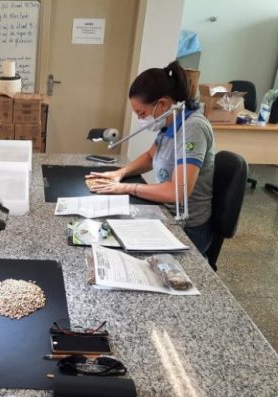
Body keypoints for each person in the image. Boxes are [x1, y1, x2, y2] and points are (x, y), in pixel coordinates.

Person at [85, 61, 215, 253]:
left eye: (142, 113)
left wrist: (126, 188)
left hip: (188, 228)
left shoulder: (193, 129)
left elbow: (178, 192)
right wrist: (120, 173)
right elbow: (149, 156)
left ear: (162, 104)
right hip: (165, 211)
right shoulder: (169, 123)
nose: (141, 119)